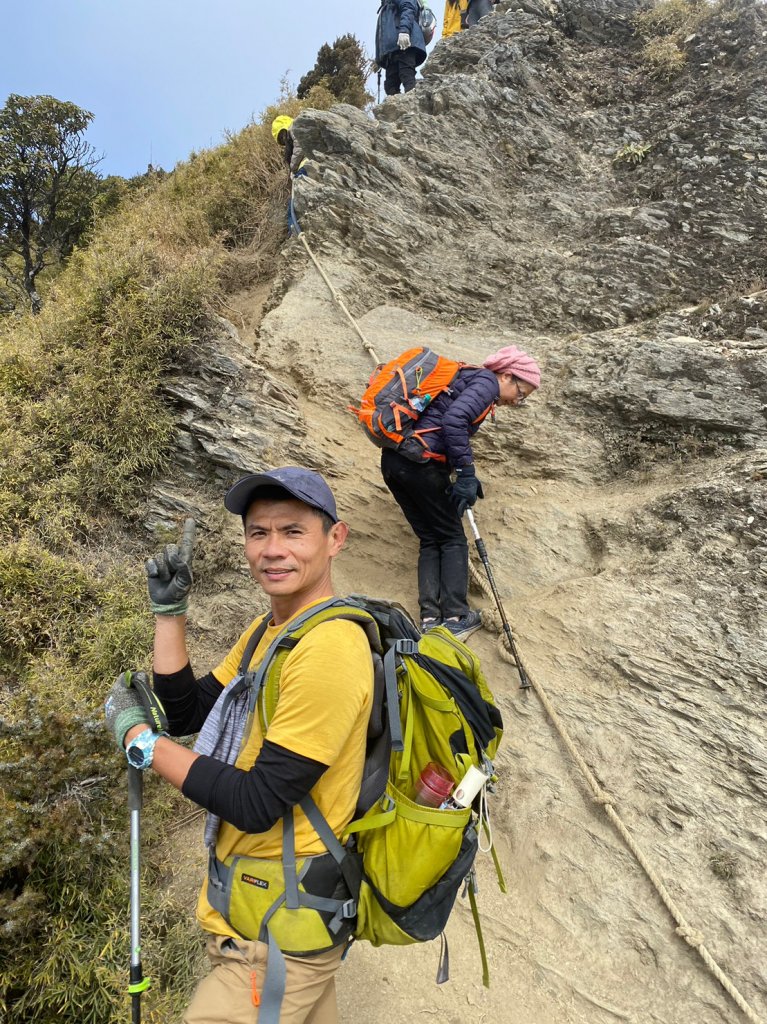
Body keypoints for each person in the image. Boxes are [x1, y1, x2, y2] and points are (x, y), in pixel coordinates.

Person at [104, 467, 374, 1024]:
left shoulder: (329, 649)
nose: (272, 550)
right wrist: (169, 615)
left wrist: (141, 743)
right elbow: (190, 712)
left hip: (279, 935)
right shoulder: (268, 631)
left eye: (292, 532)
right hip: (274, 919)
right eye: (258, 533)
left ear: (335, 538)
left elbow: (256, 802)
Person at [380, 345, 541, 638]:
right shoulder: (485, 384)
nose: (518, 401)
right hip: (420, 464)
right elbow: (454, 420)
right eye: (520, 393)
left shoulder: (467, 379)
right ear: (506, 375)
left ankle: (430, 619)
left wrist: (458, 468)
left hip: (394, 461)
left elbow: (444, 422)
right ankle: (455, 617)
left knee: (430, 538)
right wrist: (466, 472)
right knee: (453, 539)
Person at [375, 0, 427, 96]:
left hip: (405, 44)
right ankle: (398, 109)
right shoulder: (386, 4)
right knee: (390, 85)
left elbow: (408, 7)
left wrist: (404, 31)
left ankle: (413, 104)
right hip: (392, 49)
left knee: (407, 76)